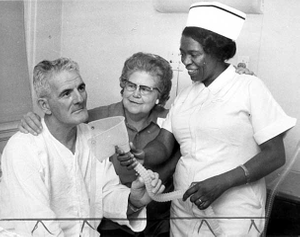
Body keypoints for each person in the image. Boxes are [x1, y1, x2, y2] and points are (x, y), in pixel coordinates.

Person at [17, 52, 254, 237]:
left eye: (146, 89)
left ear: (160, 95)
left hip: (159, 223)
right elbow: (64, 115)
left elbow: (212, 121)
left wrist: (236, 81)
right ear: (122, 85)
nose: (136, 94)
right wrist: (34, 118)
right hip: (111, 224)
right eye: (131, 85)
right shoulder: (97, 118)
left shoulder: (174, 121)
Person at [117, 2, 297, 237]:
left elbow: (275, 155)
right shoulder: (185, 97)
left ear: (217, 52)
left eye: (194, 54)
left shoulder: (249, 87)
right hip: (183, 210)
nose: (185, 61)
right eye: (182, 53)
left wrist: (222, 182)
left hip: (233, 213)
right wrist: (143, 154)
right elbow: (163, 144)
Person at [0, 58, 165, 237]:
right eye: (66, 93)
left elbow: (105, 192)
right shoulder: (23, 148)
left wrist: (133, 201)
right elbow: (39, 229)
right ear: (44, 105)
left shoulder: (90, 135)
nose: (79, 99)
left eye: (81, 88)